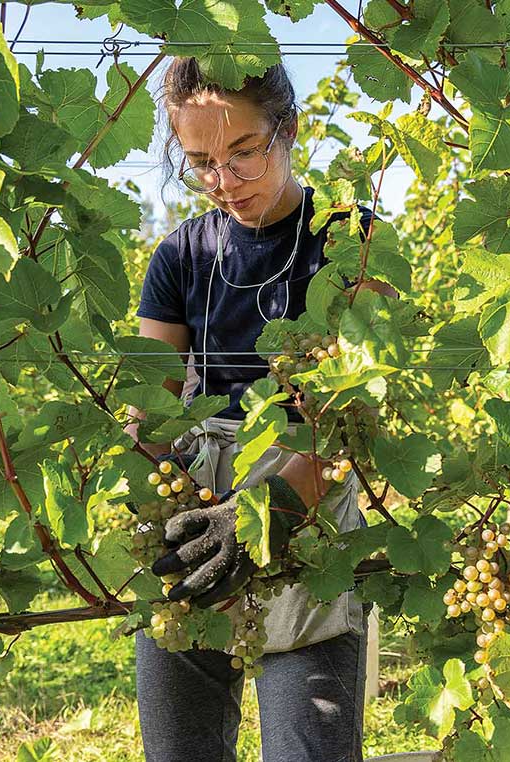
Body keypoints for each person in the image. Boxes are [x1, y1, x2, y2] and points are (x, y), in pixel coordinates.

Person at [125, 56, 393, 762]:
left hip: (309, 523)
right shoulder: (180, 256)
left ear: (289, 129)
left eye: (243, 152)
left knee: (309, 747)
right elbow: (149, 406)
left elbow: (355, 422)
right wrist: (145, 471)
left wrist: (267, 511)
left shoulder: (353, 242)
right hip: (199, 525)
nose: (223, 181)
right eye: (201, 162)